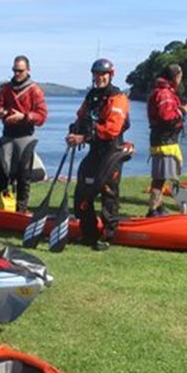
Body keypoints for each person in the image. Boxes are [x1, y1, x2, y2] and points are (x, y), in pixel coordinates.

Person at [66, 58, 131, 251]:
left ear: (110, 75)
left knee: (108, 192)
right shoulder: (92, 96)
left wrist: (83, 137)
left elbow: (111, 129)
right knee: (82, 193)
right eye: (96, 74)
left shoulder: (117, 98)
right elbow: (81, 116)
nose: (99, 78)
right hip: (95, 149)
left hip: (112, 151)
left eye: (103, 74)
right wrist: (74, 131)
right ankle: (89, 233)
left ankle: (108, 236)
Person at [0, 55, 48, 212]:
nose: (17, 74)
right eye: (14, 70)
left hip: (25, 136)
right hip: (7, 135)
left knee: (24, 176)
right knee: (1, 173)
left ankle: (21, 208)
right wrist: (1, 112)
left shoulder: (35, 90)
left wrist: (23, 117)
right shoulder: (6, 89)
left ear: (28, 70)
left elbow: (42, 116)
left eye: (20, 71)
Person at [146, 63, 187, 217]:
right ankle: (153, 209)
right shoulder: (164, 94)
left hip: (165, 138)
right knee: (159, 178)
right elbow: (166, 117)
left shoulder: (163, 91)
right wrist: (183, 110)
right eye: (180, 77)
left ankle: (158, 206)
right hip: (164, 140)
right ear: (175, 77)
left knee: (162, 176)